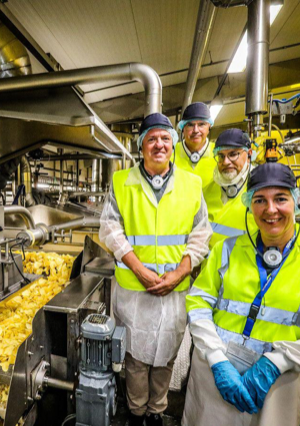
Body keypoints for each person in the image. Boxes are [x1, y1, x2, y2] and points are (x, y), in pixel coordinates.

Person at [183, 162, 300, 426]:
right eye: (259, 200)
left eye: (280, 198)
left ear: (296, 200)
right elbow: (198, 303)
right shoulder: (227, 249)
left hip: (279, 385)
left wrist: (277, 361)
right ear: (249, 205)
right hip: (213, 380)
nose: (270, 210)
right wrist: (216, 359)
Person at [99, 113, 211, 426]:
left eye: (164, 138)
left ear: (173, 145)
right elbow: (109, 228)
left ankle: (156, 412)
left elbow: (201, 233)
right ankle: (136, 413)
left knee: (166, 356)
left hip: (175, 289)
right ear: (142, 146)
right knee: (135, 357)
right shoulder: (122, 182)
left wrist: (181, 273)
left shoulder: (192, 184)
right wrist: (137, 268)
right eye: (152, 139)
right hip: (135, 290)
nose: (158, 144)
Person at [203, 128, 257, 249]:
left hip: (246, 264)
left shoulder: (260, 189)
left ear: (249, 154)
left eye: (233, 154)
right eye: (221, 156)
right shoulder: (207, 192)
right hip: (211, 266)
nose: (226, 162)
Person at [176, 102, 218, 188]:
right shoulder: (170, 154)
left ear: (209, 127)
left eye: (201, 124)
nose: (196, 130)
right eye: (190, 125)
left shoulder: (220, 153)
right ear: (183, 128)